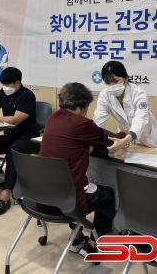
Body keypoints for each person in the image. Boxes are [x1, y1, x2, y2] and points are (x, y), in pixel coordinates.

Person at [40, 82, 121, 254]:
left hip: (42, 195)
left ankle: (76, 238)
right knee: (107, 194)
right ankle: (94, 243)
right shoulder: (82, 124)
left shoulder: (52, 119)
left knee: (77, 184)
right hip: (68, 200)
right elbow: (108, 140)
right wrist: (125, 135)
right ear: (82, 106)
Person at [0, 67, 38, 216]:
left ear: (17, 82)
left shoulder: (27, 96)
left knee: (12, 151)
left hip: (27, 137)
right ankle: (0, 178)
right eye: (3, 84)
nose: (5, 87)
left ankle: (6, 193)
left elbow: (16, 120)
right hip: (10, 135)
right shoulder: (4, 92)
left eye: (8, 84)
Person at [94, 61, 157, 149]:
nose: (112, 85)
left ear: (125, 78)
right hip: (127, 141)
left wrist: (125, 140)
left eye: (115, 81)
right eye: (107, 82)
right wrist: (90, 136)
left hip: (150, 140)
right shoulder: (104, 95)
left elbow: (141, 119)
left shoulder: (138, 93)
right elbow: (98, 120)